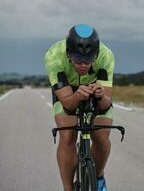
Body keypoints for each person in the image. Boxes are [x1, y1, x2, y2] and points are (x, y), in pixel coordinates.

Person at [44, 24, 115, 191]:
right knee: (67, 136)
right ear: (68, 53)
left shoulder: (106, 56)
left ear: (96, 54)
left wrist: (99, 95)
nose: (83, 64)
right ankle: (68, 188)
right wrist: (76, 96)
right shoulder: (54, 56)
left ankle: (98, 177)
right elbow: (68, 104)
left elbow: (105, 105)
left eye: (89, 58)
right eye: (77, 58)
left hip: (94, 89)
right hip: (67, 90)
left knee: (102, 135)